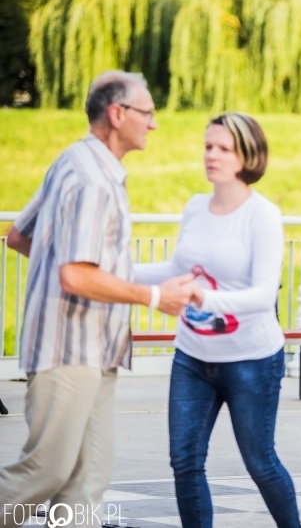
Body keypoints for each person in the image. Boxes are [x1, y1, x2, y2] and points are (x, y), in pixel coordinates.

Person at [0, 70, 194, 528]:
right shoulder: (94, 180)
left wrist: (89, 273)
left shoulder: (75, 161)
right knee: (44, 473)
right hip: (69, 351)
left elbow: (18, 236)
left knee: (86, 483)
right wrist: (151, 295)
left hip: (96, 350)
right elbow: (75, 273)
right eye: (147, 113)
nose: (154, 124)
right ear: (117, 114)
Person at [132, 113, 301, 527]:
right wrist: (116, 270)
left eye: (224, 148)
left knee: (260, 462)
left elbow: (264, 295)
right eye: (208, 146)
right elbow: (177, 268)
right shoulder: (195, 208)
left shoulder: (262, 214)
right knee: (185, 462)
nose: (212, 155)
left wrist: (201, 296)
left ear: (248, 155)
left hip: (252, 360)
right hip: (192, 357)